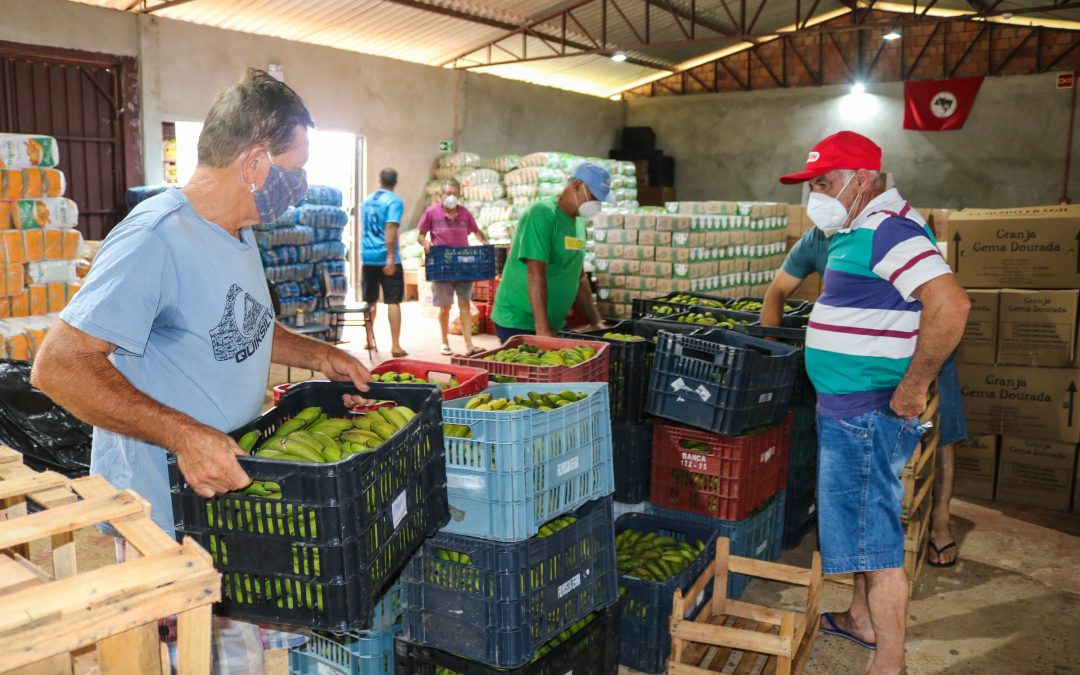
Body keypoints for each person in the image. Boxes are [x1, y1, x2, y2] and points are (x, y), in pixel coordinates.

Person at [30, 69, 373, 672]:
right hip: (164, 508)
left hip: (225, 495)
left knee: (237, 655)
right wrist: (184, 435)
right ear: (257, 163)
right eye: (297, 167)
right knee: (182, 658)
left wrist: (317, 354)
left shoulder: (237, 232)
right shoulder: (154, 239)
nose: (301, 185)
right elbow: (58, 367)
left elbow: (239, 325)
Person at [777, 131, 970, 675]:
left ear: (863, 180)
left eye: (824, 182)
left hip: (866, 413)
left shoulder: (891, 230)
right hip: (846, 408)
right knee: (859, 529)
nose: (816, 194)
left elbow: (951, 306)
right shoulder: (854, 228)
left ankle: (890, 661)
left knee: (875, 539)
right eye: (812, 183)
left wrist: (913, 386)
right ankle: (862, 618)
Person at [762, 209, 969, 571]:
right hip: (865, 366)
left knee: (942, 430)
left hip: (919, 347)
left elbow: (948, 301)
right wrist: (770, 346)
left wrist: (919, 377)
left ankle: (940, 520)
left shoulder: (886, 230)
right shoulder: (816, 239)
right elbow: (777, 291)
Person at [491, 163, 609, 341]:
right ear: (577, 186)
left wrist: (595, 321)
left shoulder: (578, 223)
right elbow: (534, 273)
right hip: (520, 321)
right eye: (594, 197)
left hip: (554, 322)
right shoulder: (542, 215)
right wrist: (543, 330)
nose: (597, 205)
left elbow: (578, 275)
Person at [417, 179, 489, 357]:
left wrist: (485, 242)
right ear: (441, 196)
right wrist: (425, 243)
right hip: (442, 265)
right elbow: (420, 235)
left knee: (464, 304)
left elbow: (476, 232)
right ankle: (444, 342)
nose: (452, 197)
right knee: (445, 307)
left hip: (463, 265)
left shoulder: (465, 213)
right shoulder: (431, 213)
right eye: (448, 194)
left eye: (455, 194)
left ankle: (469, 345)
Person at [361, 168, 407, 357]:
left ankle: (368, 339)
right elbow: (390, 227)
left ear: (379, 180)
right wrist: (389, 257)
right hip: (386, 257)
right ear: (395, 182)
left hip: (368, 255)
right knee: (393, 301)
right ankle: (395, 346)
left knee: (370, 300)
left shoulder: (367, 200)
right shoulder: (394, 201)